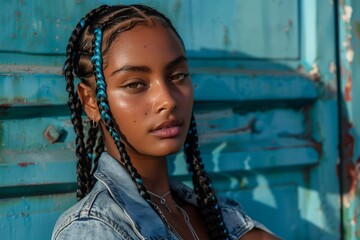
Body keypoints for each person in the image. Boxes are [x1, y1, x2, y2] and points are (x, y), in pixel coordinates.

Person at [52, 4, 279, 240]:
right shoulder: (94, 228)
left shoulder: (213, 214)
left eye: (177, 76)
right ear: (91, 101)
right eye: (134, 84)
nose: (168, 101)